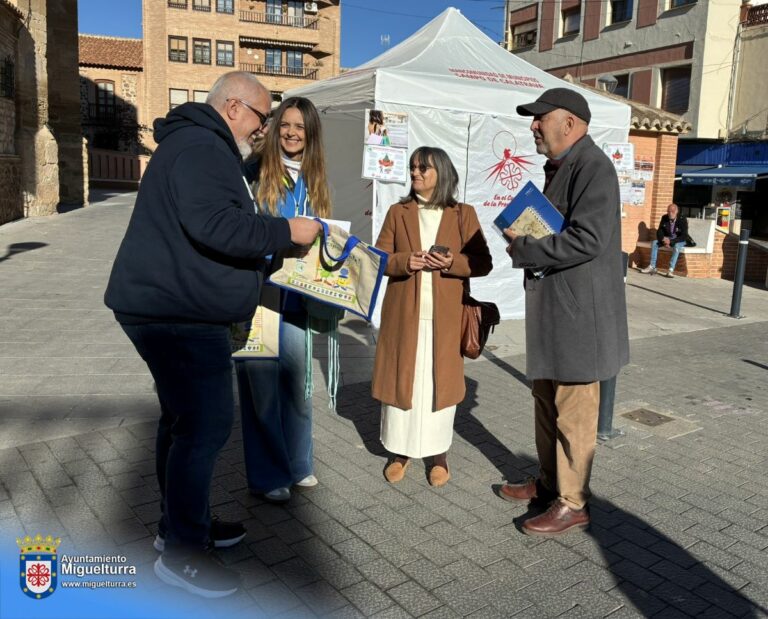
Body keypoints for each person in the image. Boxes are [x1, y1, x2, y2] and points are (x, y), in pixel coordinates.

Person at [104, 72, 321, 597]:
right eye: (262, 116)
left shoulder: (199, 144)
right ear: (232, 107)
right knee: (204, 425)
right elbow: (215, 225)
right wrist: (284, 232)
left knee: (182, 422)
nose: (264, 128)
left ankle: (179, 526)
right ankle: (183, 553)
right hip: (177, 312)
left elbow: (209, 224)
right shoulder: (202, 147)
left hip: (175, 306)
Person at [500, 88, 629, 536]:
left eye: (540, 118)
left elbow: (588, 239)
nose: (533, 126)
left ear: (570, 123)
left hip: (579, 318)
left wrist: (527, 248)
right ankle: (550, 483)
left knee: (573, 410)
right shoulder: (565, 167)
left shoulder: (593, 167)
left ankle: (573, 502)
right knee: (545, 402)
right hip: (556, 312)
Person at [372, 146, 493, 487]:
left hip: (445, 320)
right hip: (404, 317)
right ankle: (399, 452)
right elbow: (379, 256)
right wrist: (403, 261)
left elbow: (482, 263)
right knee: (404, 383)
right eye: (412, 168)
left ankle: (438, 454)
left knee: (437, 387)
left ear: (442, 172)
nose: (415, 173)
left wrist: (452, 262)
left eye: (423, 168)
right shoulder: (399, 211)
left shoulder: (462, 214)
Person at [235, 96, 332, 504]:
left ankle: (298, 464)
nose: (292, 133)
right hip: (258, 296)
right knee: (261, 393)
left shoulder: (316, 178)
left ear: (311, 134)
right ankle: (267, 475)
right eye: (286, 125)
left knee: (297, 387)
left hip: (298, 299)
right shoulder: (255, 171)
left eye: (300, 127)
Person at [639, 203, 688, 277]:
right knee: (655, 243)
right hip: (667, 239)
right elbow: (660, 231)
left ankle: (671, 270)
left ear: (677, 211)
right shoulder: (664, 217)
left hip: (679, 240)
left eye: (672, 211)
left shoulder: (682, 219)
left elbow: (684, 236)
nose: (670, 213)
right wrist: (663, 240)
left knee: (677, 246)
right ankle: (652, 266)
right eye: (668, 211)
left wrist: (671, 242)